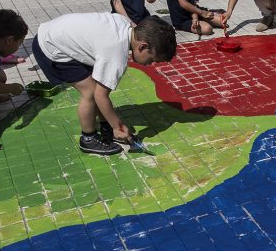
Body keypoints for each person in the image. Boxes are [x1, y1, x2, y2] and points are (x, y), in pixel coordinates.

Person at [32, 13, 177, 156]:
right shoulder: (116, 55)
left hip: (54, 34)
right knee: (90, 92)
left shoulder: (125, 24)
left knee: (96, 86)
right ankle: (88, 139)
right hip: (50, 47)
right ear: (142, 47)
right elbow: (100, 95)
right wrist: (117, 125)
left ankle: (105, 127)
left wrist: (111, 123)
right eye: (151, 59)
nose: (149, 64)